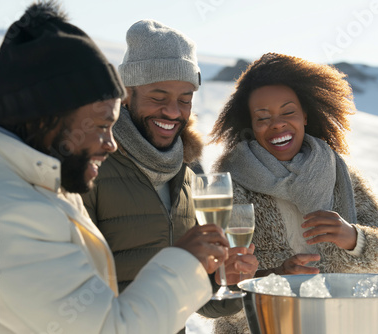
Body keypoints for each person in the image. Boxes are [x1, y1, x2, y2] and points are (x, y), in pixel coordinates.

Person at [0, 2, 231, 333]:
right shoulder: (11, 213)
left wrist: (213, 275)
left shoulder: (44, 185)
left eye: (185, 97)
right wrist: (183, 263)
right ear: (47, 119)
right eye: (101, 126)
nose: (110, 143)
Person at [209, 53, 378, 333]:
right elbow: (218, 297)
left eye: (288, 112)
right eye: (263, 117)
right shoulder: (230, 184)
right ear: (250, 124)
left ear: (305, 115)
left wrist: (354, 238)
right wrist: (276, 279)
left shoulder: (337, 175)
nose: (277, 124)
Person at [81, 19, 258, 333]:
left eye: (185, 99)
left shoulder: (186, 176)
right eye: (158, 98)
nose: (174, 112)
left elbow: (196, 299)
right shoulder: (92, 168)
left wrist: (228, 281)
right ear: (126, 93)